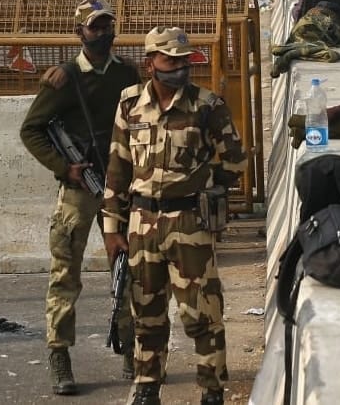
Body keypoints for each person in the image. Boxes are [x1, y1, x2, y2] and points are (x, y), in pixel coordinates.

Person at [103, 27, 246, 405]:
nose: (179, 68)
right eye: (170, 61)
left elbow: (236, 161)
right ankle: (147, 385)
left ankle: (211, 388)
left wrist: (198, 180)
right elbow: (117, 166)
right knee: (145, 312)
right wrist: (111, 228)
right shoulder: (129, 104)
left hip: (189, 222)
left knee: (202, 311)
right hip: (141, 222)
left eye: (184, 61)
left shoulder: (206, 106)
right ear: (151, 63)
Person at [20, 0, 139, 395]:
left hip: (120, 187)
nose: (103, 33)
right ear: (80, 33)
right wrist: (63, 166)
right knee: (65, 274)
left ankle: (129, 348)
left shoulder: (127, 74)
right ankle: (59, 355)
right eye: (94, 27)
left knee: (126, 269)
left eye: (107, 26)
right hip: (80, 187)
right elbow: (31, 129)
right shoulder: (64, 78)